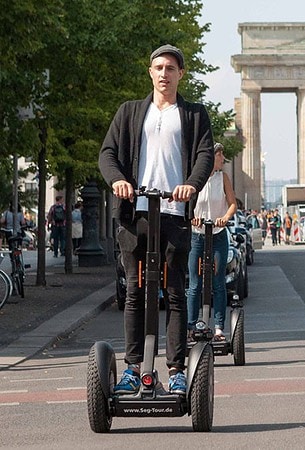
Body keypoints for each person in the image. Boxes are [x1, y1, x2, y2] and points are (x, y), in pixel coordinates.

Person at [98, 44, 215, 395]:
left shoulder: (194, 115)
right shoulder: (130, 112)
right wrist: (118, 180)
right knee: (134, 291)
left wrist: (190, 186)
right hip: (136, 214)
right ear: (150, 72)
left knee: (176, 292)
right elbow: (107, 154)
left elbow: (204, 155)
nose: (164, 74)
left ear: (181, 74)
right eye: (158, 67)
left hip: (174, 213)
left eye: (171, 68)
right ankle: (133, 368)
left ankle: (177, 369)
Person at [187, 143, 237, 341]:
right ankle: (192, 326)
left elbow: (233, 203)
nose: (223, 158)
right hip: (197, 234)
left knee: (218, 282)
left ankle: (218, 328)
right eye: (220, 155)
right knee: (194, 283)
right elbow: (186, 205)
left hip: (217, 233)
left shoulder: (222, 178)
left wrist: (225, 217)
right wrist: (192, 217)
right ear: (211, 157)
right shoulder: (195, 179)